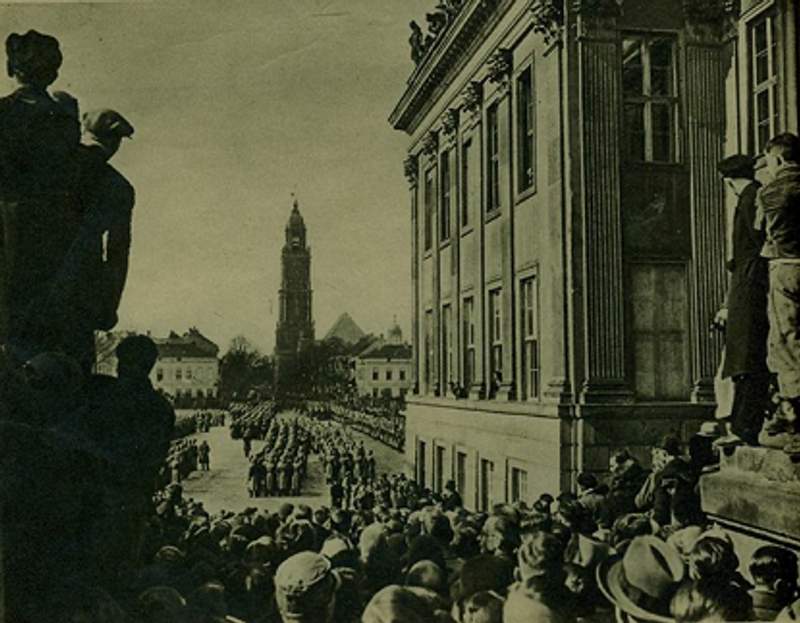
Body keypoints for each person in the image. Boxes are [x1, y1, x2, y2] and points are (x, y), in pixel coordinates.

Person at [0, 30, 82, 360]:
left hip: (8, 227)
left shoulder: (3, 112)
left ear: (11, 67)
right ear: (53, 72)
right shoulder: (64, 118)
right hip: (57, 231)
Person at [713, 154, 772, 446]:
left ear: (729, 181)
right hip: (744, 285)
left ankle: (744, 426)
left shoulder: (750, 197)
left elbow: (761, 243)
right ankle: (741, 424)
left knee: (746, 357)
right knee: (742, 357)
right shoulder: (751, 196)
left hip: (748, 286)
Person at [758, 133, 800, 453]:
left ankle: (795, 416)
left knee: (786, 340)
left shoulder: (771, 190)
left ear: (779, 159)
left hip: (785, 267)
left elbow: (763, 230)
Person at [748, 545, 798, 620]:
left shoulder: (735, 606)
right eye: (794, 581)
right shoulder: (785, 617)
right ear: (781, 585)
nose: (797, 586)